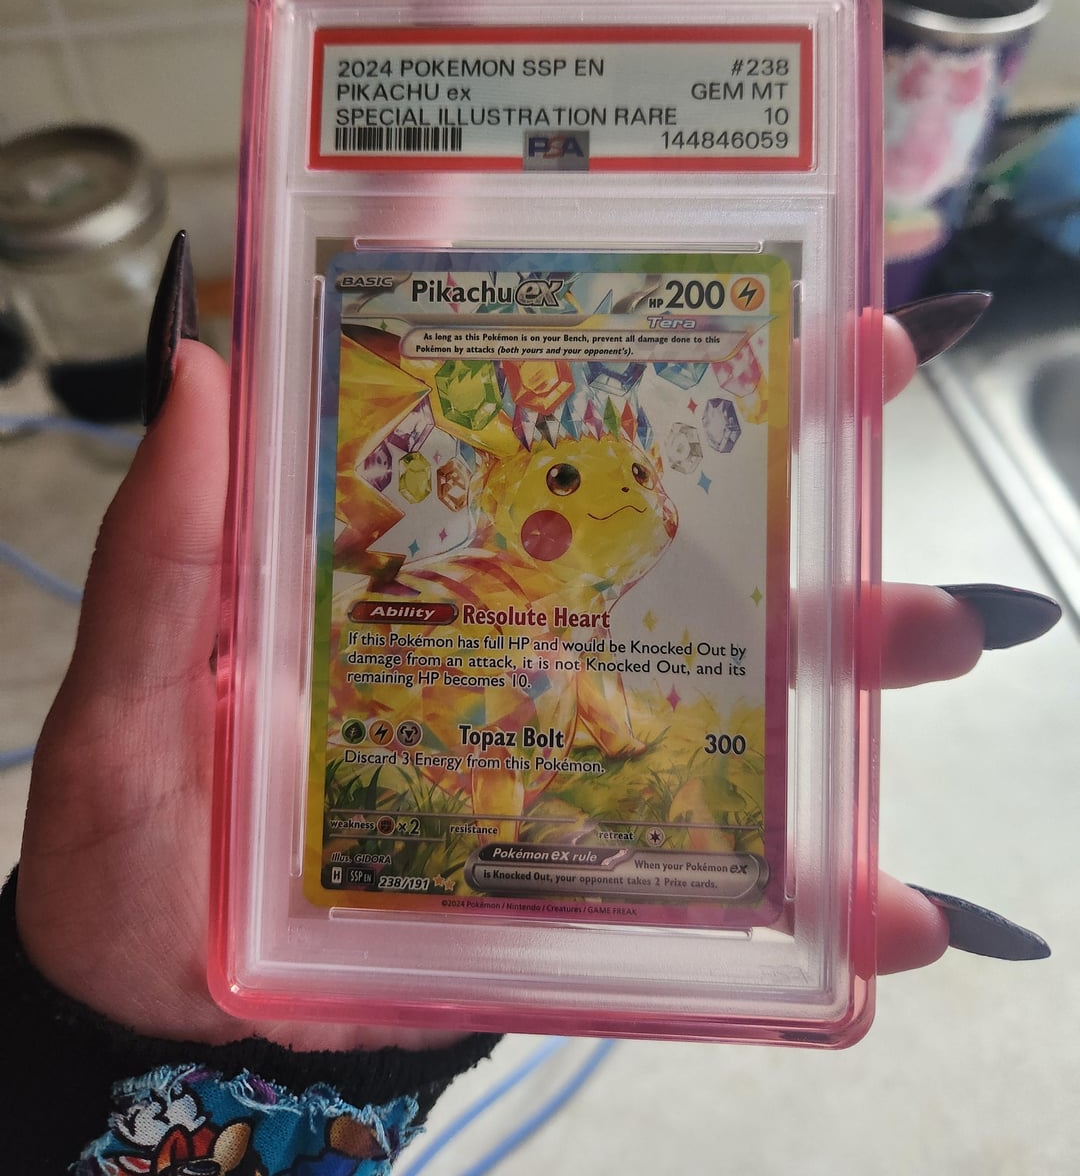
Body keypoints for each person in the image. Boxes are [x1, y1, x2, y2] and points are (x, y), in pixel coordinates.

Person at [3, 235, 1059, 1173]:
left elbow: (613, 724)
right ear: (502, 502)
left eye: (641, 476)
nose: (628, 494)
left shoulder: (583, 648)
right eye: (568, 480)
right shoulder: (445, 594)